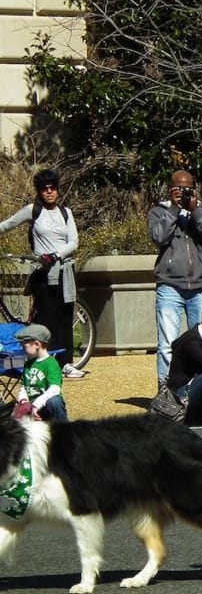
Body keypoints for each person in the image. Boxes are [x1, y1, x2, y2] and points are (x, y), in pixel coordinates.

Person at [0, 169, 80, 377]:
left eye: (53, 188)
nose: (49, 192)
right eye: (44, 189)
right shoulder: (32, 210)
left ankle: (67, 363)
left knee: (64, 317)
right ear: (39, 191)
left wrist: (55, 254)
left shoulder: (66, 213)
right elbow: (8, 225)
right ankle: (50, 361)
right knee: (47, 319)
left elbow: (73, 241)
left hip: (64, 271)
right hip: (43, 273)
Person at [148, 169, 202, 387]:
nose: (183, 191)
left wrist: (196, 212)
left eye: (187, 187)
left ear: (195, 187)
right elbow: (158, 237)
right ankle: (166, 392)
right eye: (178, 187)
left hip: (200, 287)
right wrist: (173, 209)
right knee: (167, 344)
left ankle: (199, 389)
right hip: (170, 286)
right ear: (170, 189)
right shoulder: (158, 212)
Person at [13, 323, 68, 421]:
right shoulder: (28, 364)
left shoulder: (51, 363)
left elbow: (55, 389)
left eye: (24, 345)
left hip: (46, 405)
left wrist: (37, 404)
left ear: (37, 344)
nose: (22, 349)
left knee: (54, 401)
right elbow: (24, 386)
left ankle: (66, 432)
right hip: (31, 406)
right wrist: (23, 400)